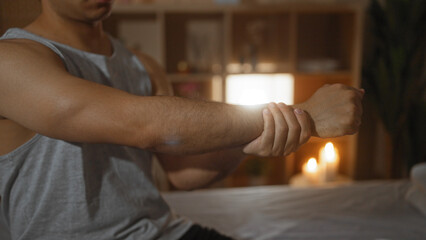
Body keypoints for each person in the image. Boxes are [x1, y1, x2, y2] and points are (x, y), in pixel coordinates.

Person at [0, 0, 364, 239]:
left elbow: (185, 174)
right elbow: (146, 126)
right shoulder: (11, 60)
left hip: (164, 232)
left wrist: (255, 138)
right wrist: (307, 113)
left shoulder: (142, 65)